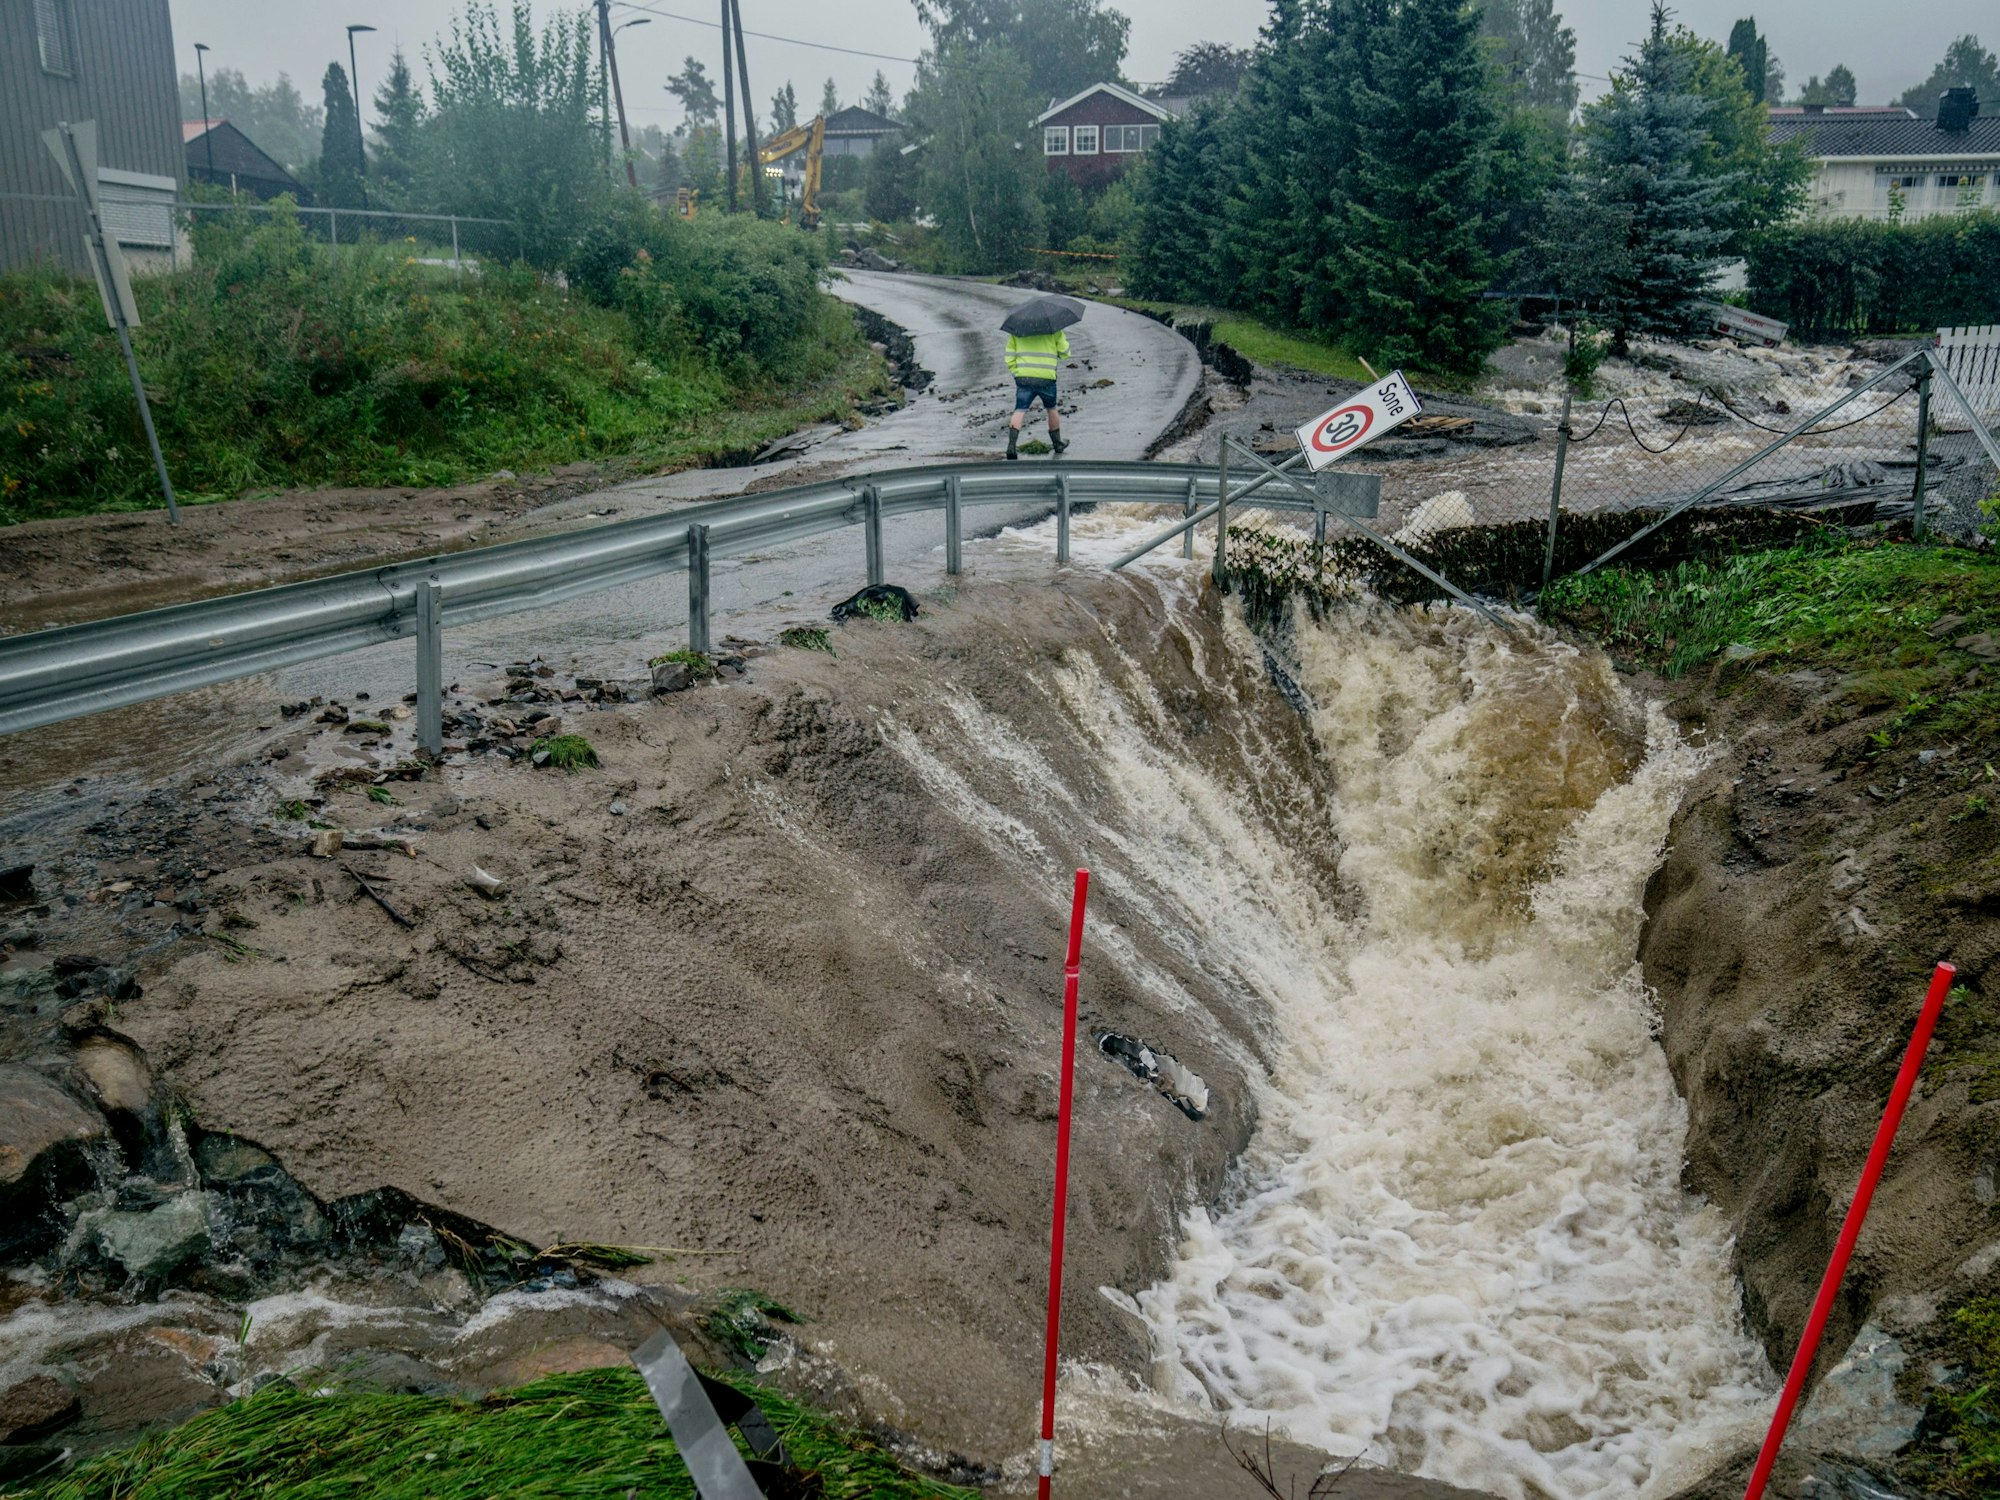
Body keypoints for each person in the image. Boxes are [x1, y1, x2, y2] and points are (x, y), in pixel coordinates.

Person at [1004, 328, 1070, 460]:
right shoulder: (1053, 329)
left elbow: (1009, 356)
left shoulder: (1018, 330)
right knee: (1051, 409)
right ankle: (1057, 444)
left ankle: (1011, 446)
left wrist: (1016, 373)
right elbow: (1065, 353)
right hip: (1046, 377)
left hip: (1024, 377)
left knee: (1020, 410)